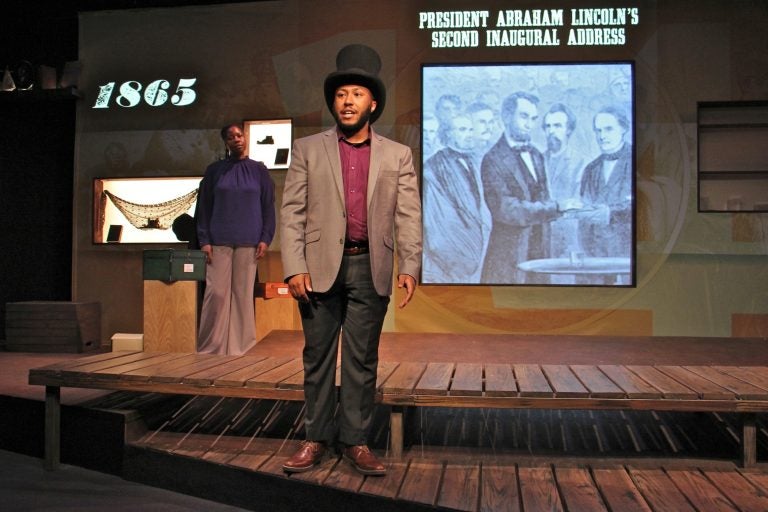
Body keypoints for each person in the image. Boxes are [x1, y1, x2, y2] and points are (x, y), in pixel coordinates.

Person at [280, 44, 422, 476]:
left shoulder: (397, 155)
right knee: (317, 357)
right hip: (318, 266)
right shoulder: (308, 148)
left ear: (372, 103)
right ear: (333, 101)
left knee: (362, 360)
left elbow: (409, 214)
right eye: (341, 94)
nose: (347, 101)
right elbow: (292, 212)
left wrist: (410, 265)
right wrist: (294, 265)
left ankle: (356, 441)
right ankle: (316, 438)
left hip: (370, 266)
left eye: (357, 94)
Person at [195, 123, 276, 355]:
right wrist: (204, 240)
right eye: (231, 137)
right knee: (217, 295)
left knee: (242, 296)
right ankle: (211, 349)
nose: (236, 139)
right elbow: (204, 208)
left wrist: (265, 237)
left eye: (239, 135)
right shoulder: (214, 171)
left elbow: (268, 207)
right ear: (226, 142)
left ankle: (242, 349)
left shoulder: (259, 170)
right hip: (218, 239)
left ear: (246, 137)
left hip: (249, 240)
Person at [480, 92, 564, 284]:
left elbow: (544, 199)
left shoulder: (536, 154)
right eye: (524, 116)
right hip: (509, 258)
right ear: (507, 117)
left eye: (534, 118)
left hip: (539, 253)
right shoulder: (492, 159)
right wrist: (557, 208)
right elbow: (507, 210)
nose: (530, 124)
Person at [422, 113, 484, 283]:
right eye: (463, 129)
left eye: (471, 129)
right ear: (448, 133)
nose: (469, 133)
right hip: (450, 262)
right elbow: (436, 225)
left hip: (473, 255)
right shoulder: (433, 168)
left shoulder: (474, 161)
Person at [578, 106, 632, 272]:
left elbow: (646, 204)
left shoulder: (639, 161)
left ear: (623, 128)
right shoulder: (591, 169)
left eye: (608, 129)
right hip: (594, 255)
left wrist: (610, 212)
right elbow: (585, 213)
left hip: (627, 254)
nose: (602, 136)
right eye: (598, 130)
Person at [542, 103, 587, 265]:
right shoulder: (537, 160)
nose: (551, 131)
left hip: (567, 239)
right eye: (548, 126)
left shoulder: (579, 162)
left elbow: (578, 205)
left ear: (569, 130)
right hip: (540, 236)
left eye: (557, 126)